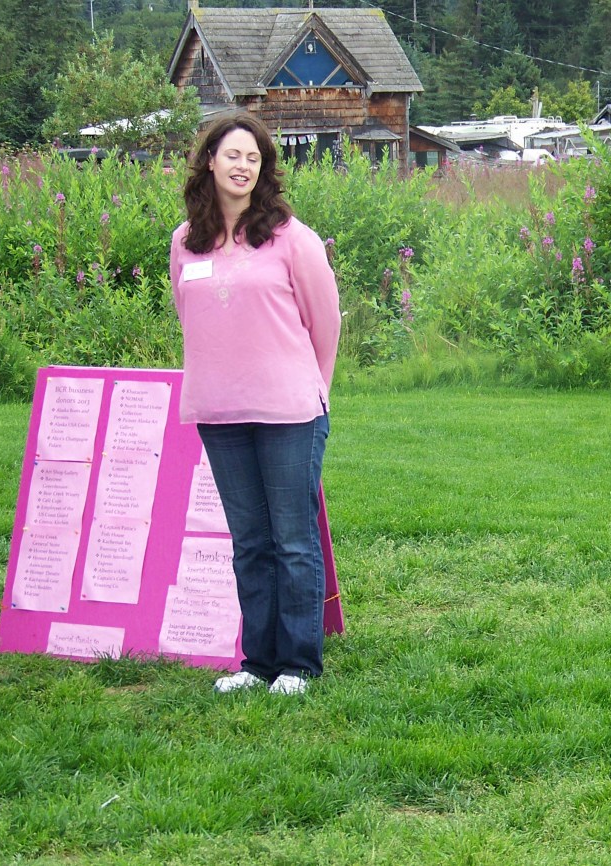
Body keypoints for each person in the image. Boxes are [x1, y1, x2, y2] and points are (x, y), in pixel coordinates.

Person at [170, 113, 340, 696]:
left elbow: (326, 322)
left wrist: (315, 390)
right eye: (233, 155)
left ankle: (297, 665)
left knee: (293, 539)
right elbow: (191, 318)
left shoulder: (293, 237)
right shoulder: (184, 241)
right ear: (210, 161)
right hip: (219, 412)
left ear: (263, 169)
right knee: (249, 542)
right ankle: (257, 663)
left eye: (254, 158)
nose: (243, 166)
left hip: (291, 411)